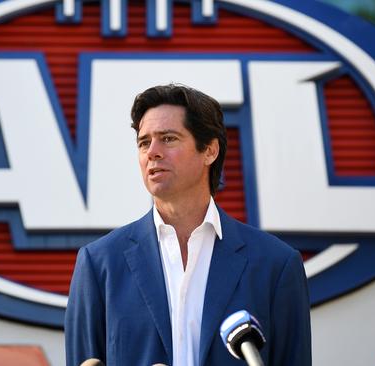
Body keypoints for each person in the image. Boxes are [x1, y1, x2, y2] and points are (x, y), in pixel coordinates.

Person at [65, 84, 311, 366]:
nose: (152, 153)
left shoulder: (276, 265)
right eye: (144, 142)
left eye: (168, 139)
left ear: (209, 150)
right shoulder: (99, 263)